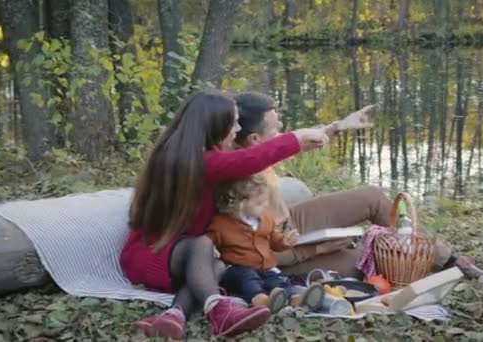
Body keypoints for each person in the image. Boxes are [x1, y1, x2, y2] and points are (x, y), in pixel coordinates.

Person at [120, 90, 373, 339]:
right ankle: (218, 310)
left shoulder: (196, 154)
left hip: (190, 257)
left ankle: (174, 316)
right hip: (154, 257)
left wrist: (334, 128)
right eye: (234, 123)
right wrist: (297, 137)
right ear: (216, 126)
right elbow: (253, 157)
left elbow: (260, 149)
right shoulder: (200, 163)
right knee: (203, 246)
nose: (237, 128)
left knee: (216, 263)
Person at [233, 91, 483, 281]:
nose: (281, 124)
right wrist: (317, 249)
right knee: (369, 262)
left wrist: (338, 126)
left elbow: (299, 141)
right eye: (274, 122)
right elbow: (254, 255)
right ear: (254, 139)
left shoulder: (255, 149)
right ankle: (435, 269)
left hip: (288, 223)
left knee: (371, 196)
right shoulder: (236, 185)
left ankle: (453, 260)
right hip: (274, 256)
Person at [208, 174, 325, 314]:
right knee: (248, 278)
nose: (265, 206)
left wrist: (284, 241)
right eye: (259, 203)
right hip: (237, 270)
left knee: (276, 281)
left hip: (265, 268)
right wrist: (211, 250)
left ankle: (293, 299)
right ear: (239, 204)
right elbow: (208, 243)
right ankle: (261, 301)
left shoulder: (265, 220)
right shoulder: (221, 225)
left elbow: (274, 241)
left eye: (265, 201)